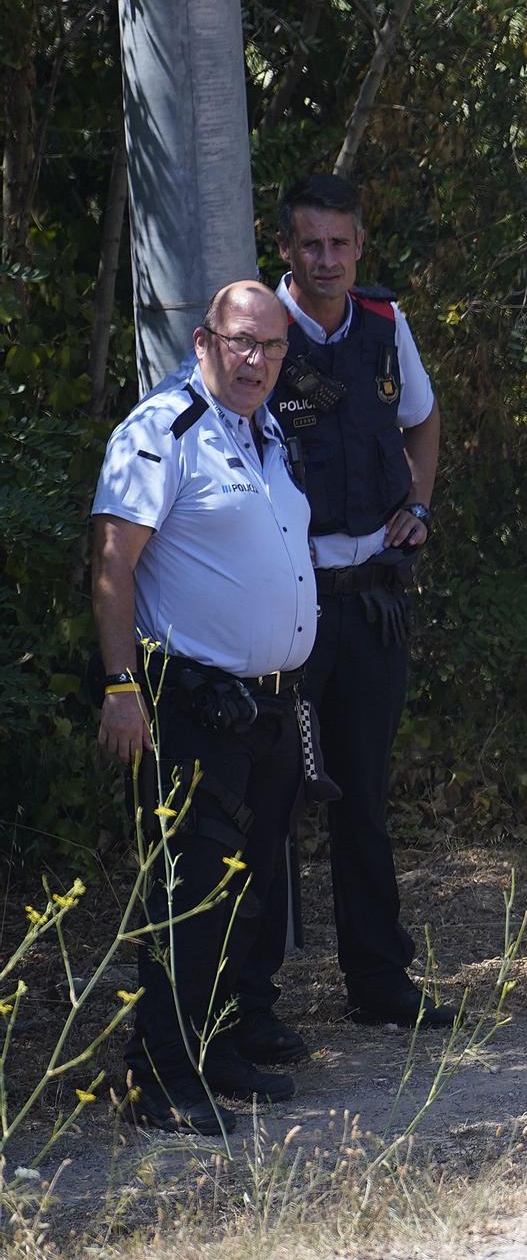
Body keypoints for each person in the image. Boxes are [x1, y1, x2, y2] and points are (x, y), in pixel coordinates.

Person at [92, 281, 318, 1134]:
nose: (257, 358)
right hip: (185, 704)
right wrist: (121, 688)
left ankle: (215, 1047)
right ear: (204, 340)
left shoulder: (269, 435)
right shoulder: (161, 431)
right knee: (189, 892)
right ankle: (158, 1079)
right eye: (242, 341)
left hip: (266, 708)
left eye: (271, 345)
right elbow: (113, 564)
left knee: (247, 889)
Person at [267, 172, 453, 1030]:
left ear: (360, 246)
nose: (328, 259)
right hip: (285, 610)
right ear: (286, 251)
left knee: (365, 799)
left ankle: (379, 985)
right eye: (312, 244)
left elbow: (421, 419)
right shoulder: (257, 336)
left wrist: (416, 506)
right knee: (269, 802)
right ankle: (248, 1003)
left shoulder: (384, 322)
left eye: (341, 243)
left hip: (373, 596)